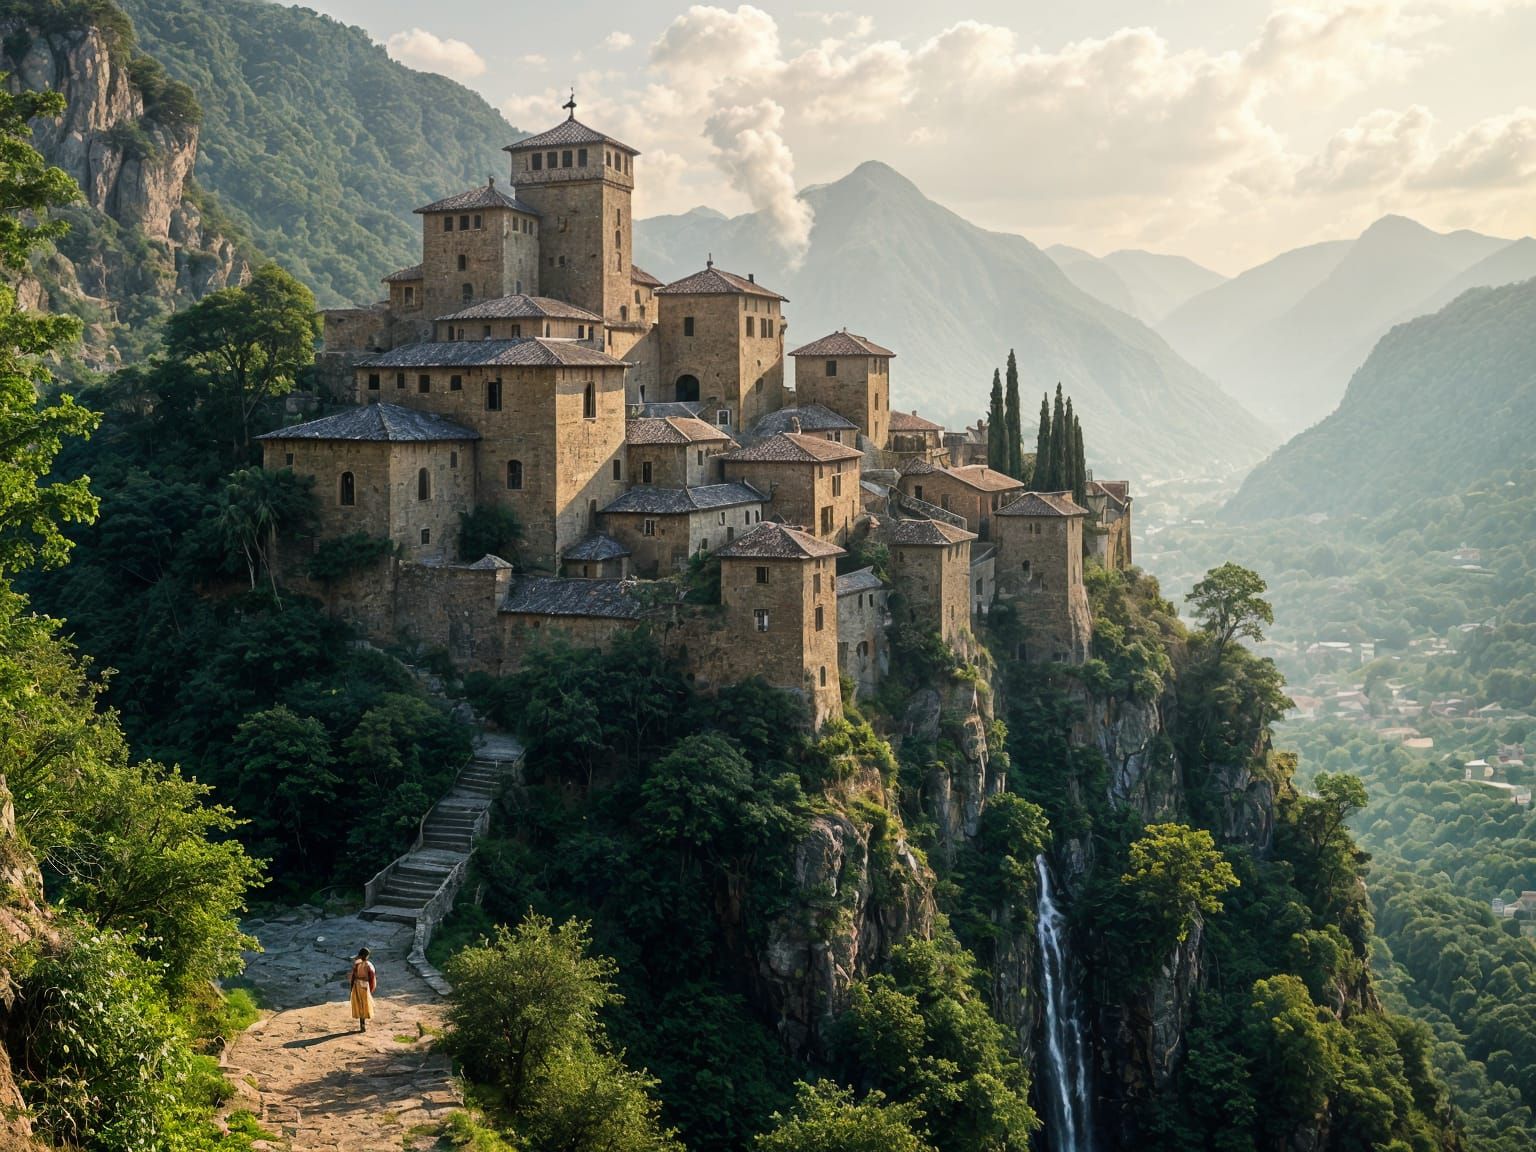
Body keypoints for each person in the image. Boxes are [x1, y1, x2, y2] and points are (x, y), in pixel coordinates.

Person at [349, 947, 376, 1032]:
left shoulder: (357, 963)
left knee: (359, 1004)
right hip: (365, 986)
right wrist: (371, 989)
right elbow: (372, 977)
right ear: (367, 956)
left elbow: (353, 976)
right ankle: (363, 1025)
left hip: (357, 985)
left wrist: (352, 987)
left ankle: (361, 1024)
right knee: (365, 1005)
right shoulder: (369, 965)